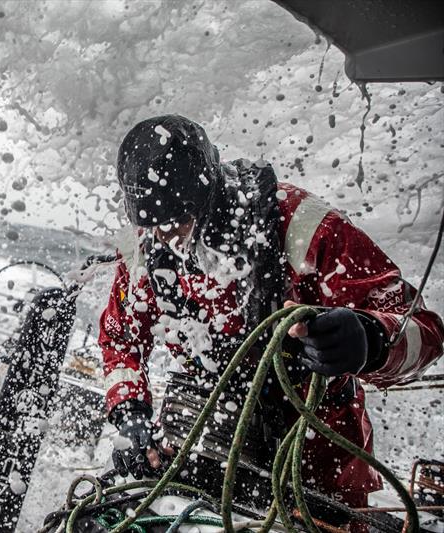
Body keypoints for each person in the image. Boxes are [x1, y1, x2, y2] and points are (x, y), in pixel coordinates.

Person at [99, 115, 444, 527]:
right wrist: (130, 410)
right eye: (152, 225)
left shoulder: (303, 229)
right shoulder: (149, 243)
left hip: (315, 470)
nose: (166, 237)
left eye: (177, 223)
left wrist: (370, 339)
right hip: (203, 448)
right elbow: (121, 339)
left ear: (206, 200)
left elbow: (423, 327)